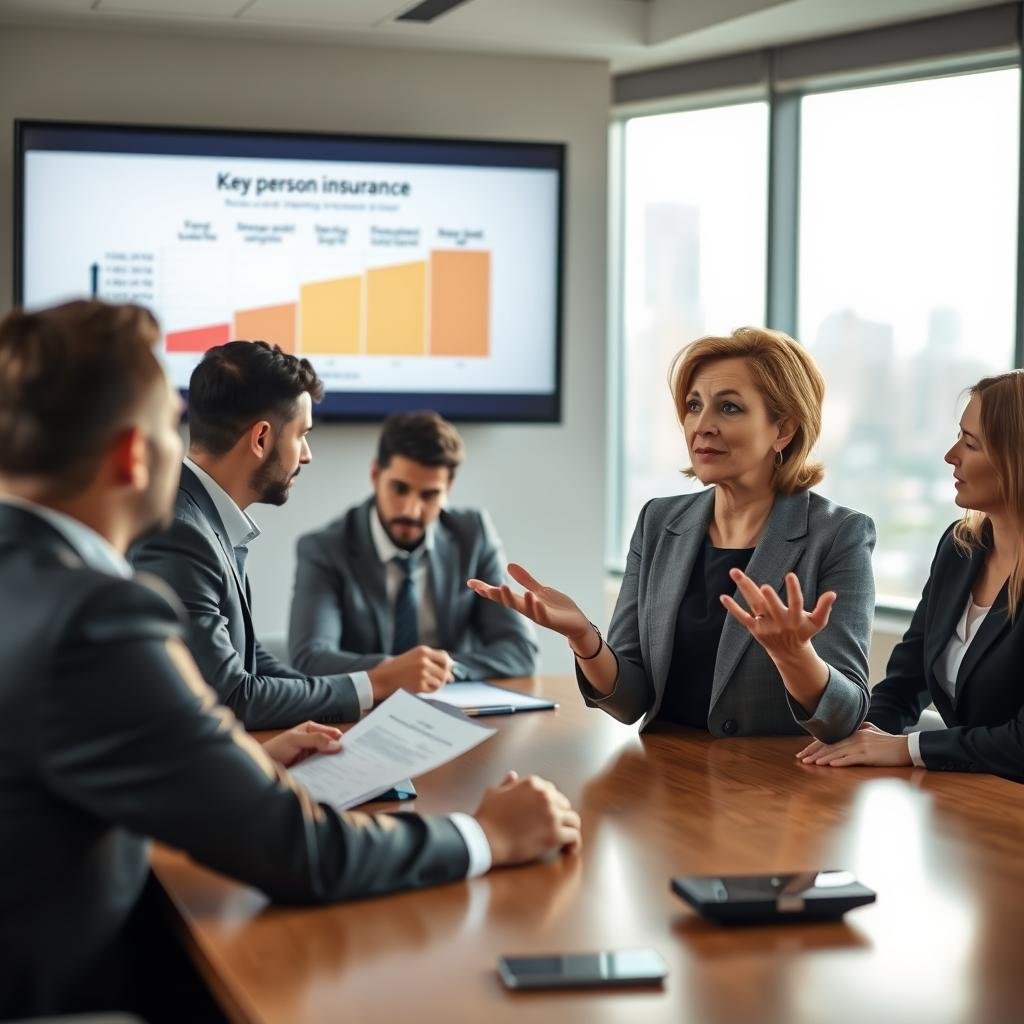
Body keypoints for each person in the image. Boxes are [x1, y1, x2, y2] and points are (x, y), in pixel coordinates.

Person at [0, 301, 581, 1019]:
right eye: (167, 426)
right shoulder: (97, 618)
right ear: (133, 454)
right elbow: (300, 853)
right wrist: (487, 834)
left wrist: (230, 764)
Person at [470, 327, 875, 740]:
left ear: (783, 430)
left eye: (730, 408)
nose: (702, 425)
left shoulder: (839, 534)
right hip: (666, 776)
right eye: (694, 405)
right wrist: (583, 637)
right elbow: (630, 701)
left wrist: (795, 656)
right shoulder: (658, 522)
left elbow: (844, 716)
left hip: (775, 787)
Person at [132, 342, 436, 728]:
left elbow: (250, 659)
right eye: (301, 435)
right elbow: (229, 696)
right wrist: (373, 684)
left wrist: (358, 696)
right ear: (261, 439)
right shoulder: (181, 533)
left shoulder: (203, 516)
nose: (306, 454)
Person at [797, 371, 1024, 780]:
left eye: (971, 444)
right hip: (968, 802)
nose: (951, 455)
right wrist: (865, 732)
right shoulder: (959, 548)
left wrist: (906, 748)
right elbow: (908, 677)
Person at [288, 410, 537, 685]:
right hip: (363, 713)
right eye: (400, 488)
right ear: (375, 475)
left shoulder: (473, 536)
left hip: (451, 705)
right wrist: (394, 672)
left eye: (429, 495)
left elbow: (519, 650)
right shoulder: (324, 548)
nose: (411, 510)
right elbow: (310, 659)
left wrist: (439, 669)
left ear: (448, 489)